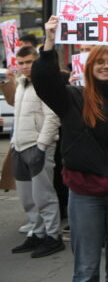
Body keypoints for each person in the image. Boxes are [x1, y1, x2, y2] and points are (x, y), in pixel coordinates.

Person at [33, 16, 108, 281]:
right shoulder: (73, 98)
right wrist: (50, 40)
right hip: (85, 194)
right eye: (100, 62)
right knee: (86, 269)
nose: (106, 67)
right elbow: (44, 81)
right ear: (90, 66)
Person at [10, 45, 64, 258]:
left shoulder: (44, 84)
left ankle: (53, 236)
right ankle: (37, 232)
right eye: (21, 63)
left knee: (44, 196)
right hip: (19, 147)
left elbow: (53, 117)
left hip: (38, 147)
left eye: (29, 62)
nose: (25, 67)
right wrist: (14, 143)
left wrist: (41, 146)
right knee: (27, 198)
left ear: (37, 62)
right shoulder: (21, 84)